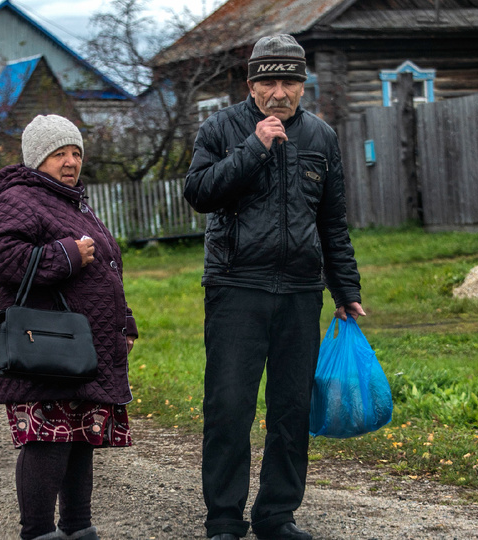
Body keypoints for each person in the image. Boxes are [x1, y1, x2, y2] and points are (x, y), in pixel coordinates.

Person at [184, 35, 366, 540]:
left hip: (300, 291)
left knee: (291, 409)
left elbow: (333, 222)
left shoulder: (321, 138)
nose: (279, 92)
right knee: (228, 406)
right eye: (269, 81)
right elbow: (199, 193)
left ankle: (276, 515)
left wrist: (344, 288)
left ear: (304, 86)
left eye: (290, 81)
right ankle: (223, 518)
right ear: (251, 85)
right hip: (236, 287)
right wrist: (255, 148)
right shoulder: (221, 129)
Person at [0, 114, 138, 540]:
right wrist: (63, 255)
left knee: (80, 436)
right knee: (49, 439)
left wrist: (125, 324)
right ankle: (38, 532)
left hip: (82, 345)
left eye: (75, 153)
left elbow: (106, 269)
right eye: (58, 154)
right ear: (36, 159)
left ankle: (77, 527)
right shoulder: (19, 199)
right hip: (43, 342)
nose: (70, 162)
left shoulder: (72, 202)